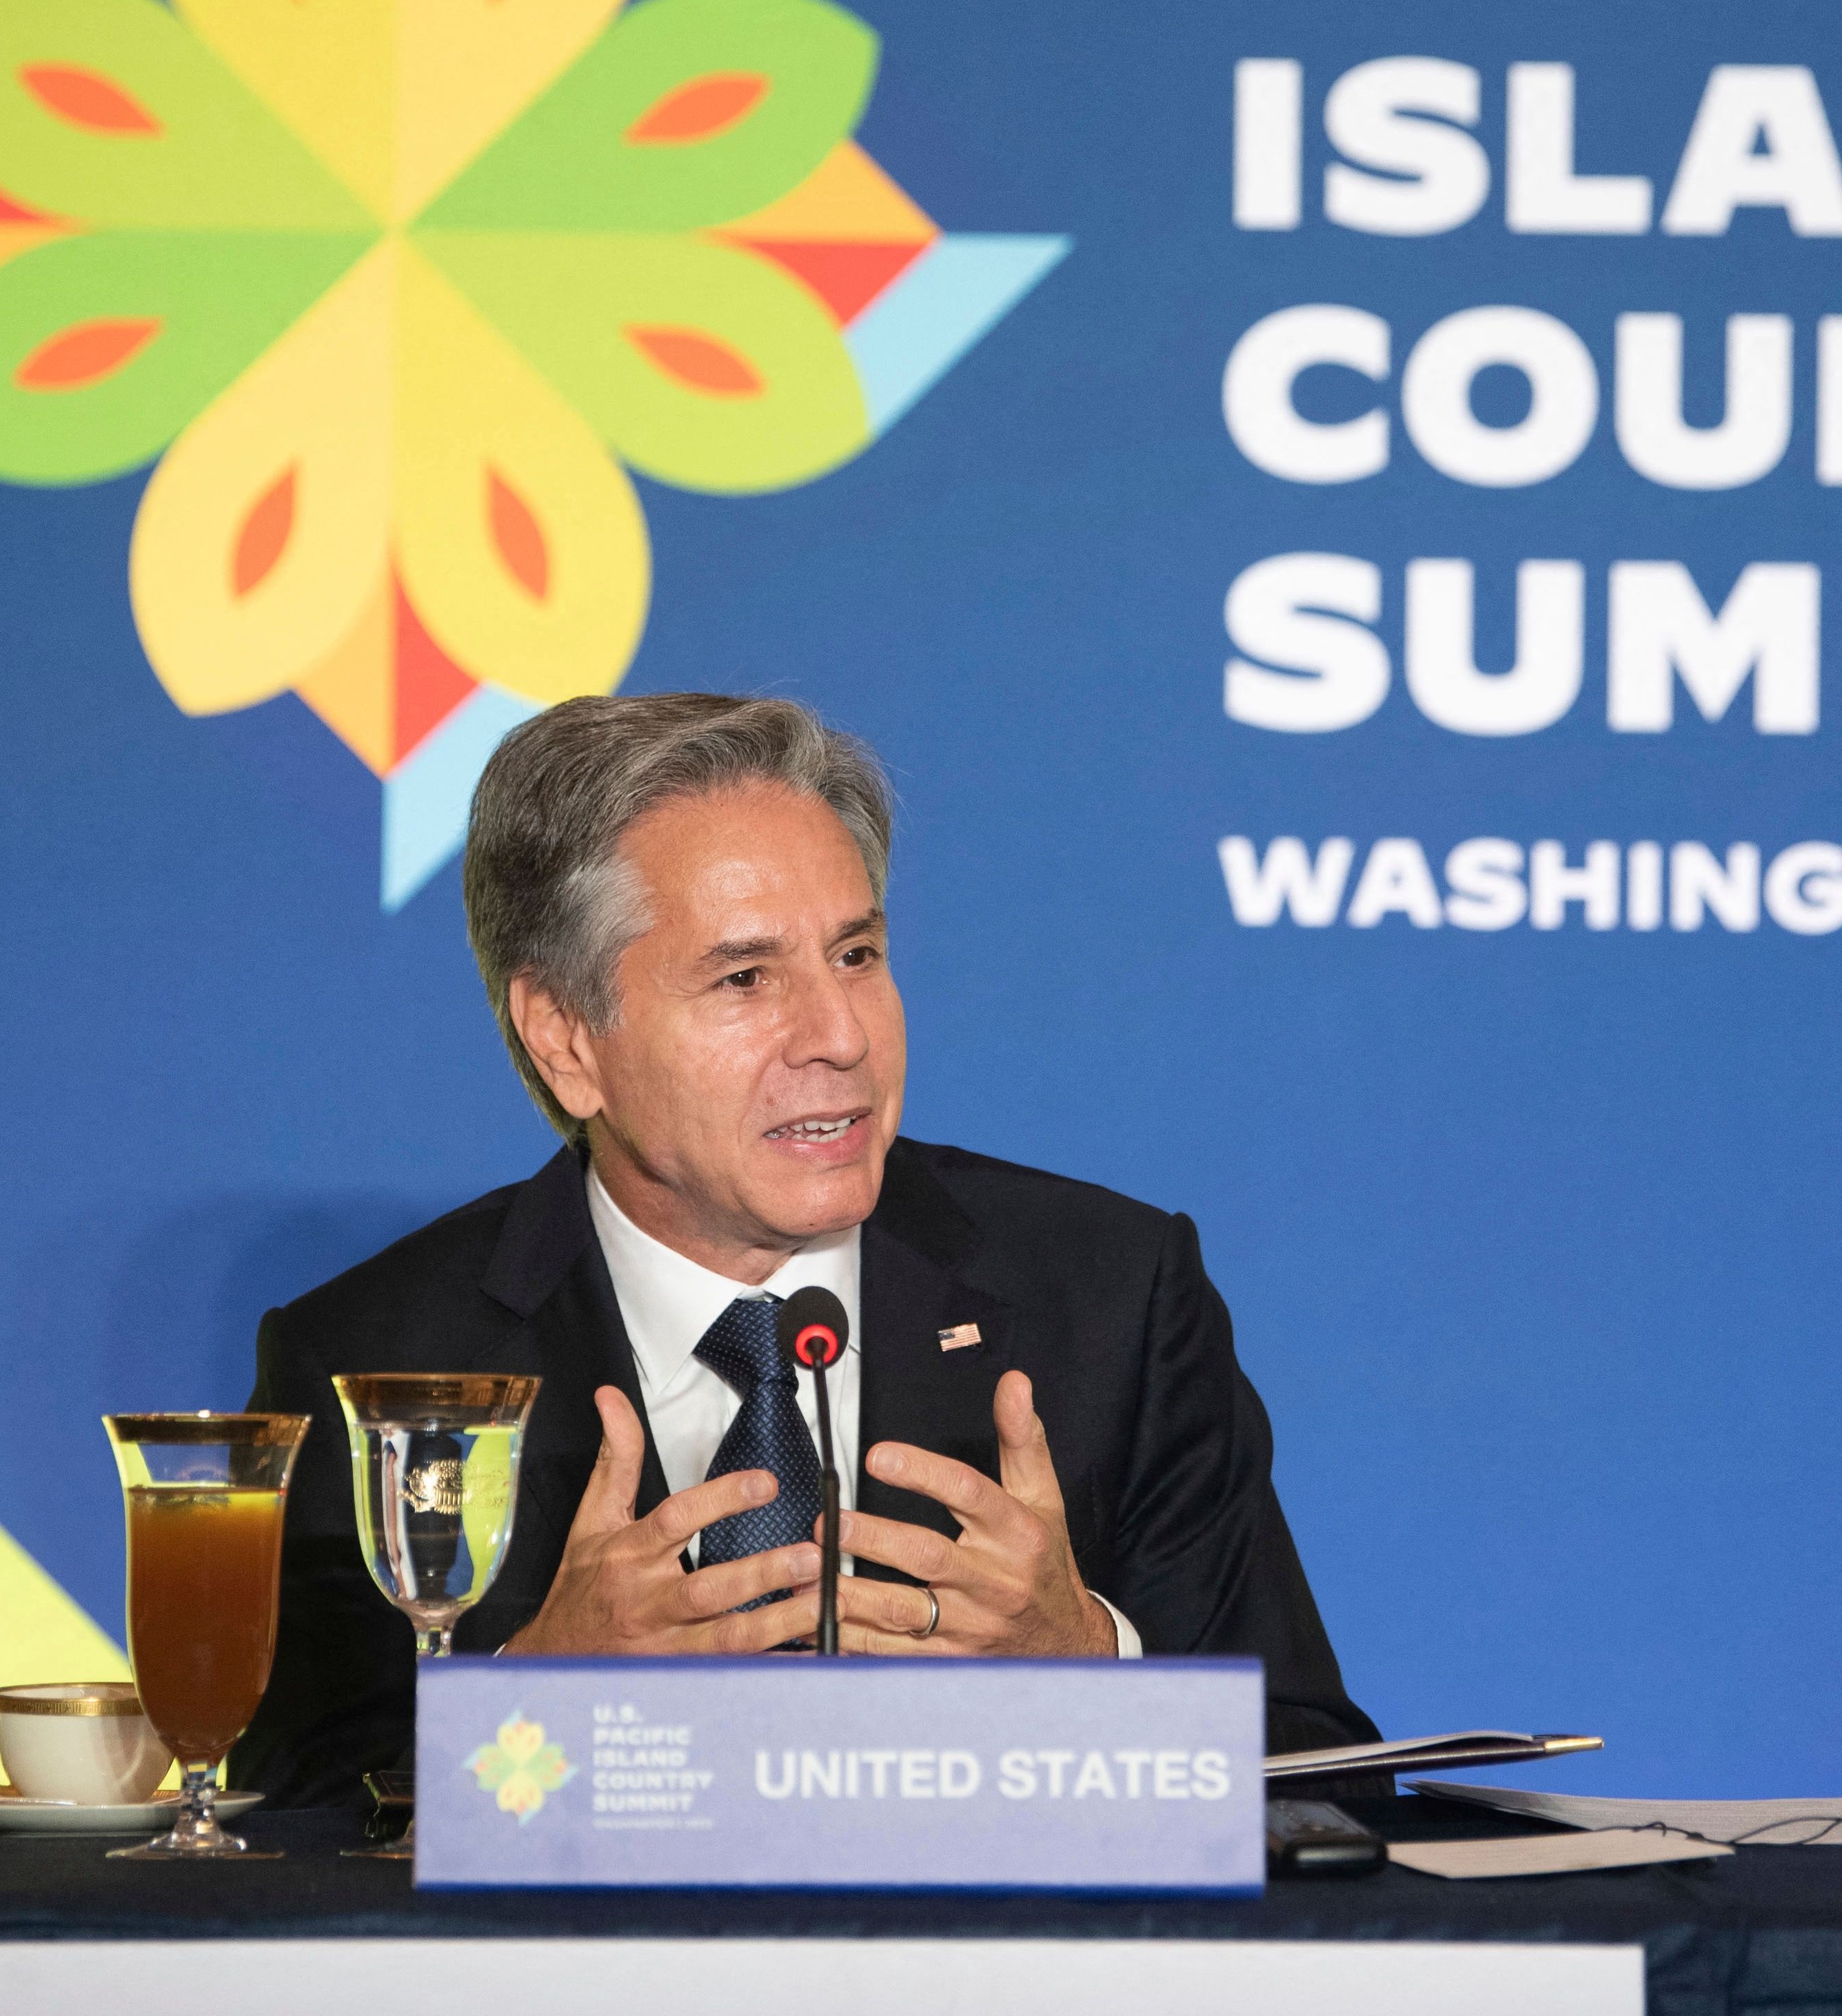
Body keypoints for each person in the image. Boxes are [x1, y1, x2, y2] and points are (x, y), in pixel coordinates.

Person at [232, 693, 1371, 1807]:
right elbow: (290, 1822)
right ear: (566, 1039)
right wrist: (529, 1694)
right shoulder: (371, 1357)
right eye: (745, 977)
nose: (840, 1035)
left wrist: (1086, 1665)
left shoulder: (1110, 1294)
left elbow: (1318, 1768)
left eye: (857, 954)